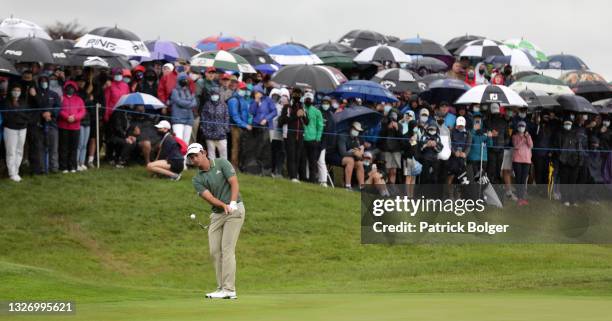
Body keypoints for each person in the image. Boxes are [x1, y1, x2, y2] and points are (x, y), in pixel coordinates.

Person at [189, 143, 245, 300]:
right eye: (191, 157)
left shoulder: (222, 163)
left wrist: (232, 203)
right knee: (215, 251)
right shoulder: (197, 179)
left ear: (204, 153)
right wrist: (223, 205)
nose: (194, 159)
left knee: (227, 249)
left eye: (195, 155)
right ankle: (221, 288)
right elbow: (209, 198)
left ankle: (229, 289)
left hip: (235, 210)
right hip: (218, 213)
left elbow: (234, 182)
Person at [1, 83, 29, 182]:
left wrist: (16, 112)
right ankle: (11, 173)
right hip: (10, 129)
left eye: (18, 90)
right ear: (11, 91)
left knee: (19, 150)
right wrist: (18, 113)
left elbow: (26, 115)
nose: (16, 92)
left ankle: (16, 171)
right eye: (15, 90)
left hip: (22, 129)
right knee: (11, 151)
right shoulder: (5, 102)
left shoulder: (23, 102)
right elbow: (7, 116)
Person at [278, 89, 307, 182]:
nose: (297, 95)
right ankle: (293, 176)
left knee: (298, 155)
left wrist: (303, 115)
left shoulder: (302, 107)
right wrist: (296, 115)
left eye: (299, 94)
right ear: (292, 94)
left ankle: (295, 175)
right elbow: (282, 121)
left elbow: (307, 122)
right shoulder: (287, 107)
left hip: (300, 135)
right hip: (289, 134)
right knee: (291, 155)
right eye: (295, 93)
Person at [58, 81, 86, 173]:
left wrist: (75, 118)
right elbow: (60, 109)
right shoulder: (61, 99)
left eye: (72, 87)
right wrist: (67, 117)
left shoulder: (79, 99)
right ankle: (63, 167)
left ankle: (72, 166)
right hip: (64, 126)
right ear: (65, 89)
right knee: (64, 147)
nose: (70, 89)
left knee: (73, 148)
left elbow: (82, 111)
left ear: (75, 89)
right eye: (68, 87)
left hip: (75, 127)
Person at [555, 118, 583, 206]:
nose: (568, 125)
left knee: (573, 182)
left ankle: (572, 200)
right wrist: (562, 158)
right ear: (563, 124)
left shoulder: (576, 135)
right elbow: (558, 148)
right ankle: (565, 199)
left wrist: (579, 160)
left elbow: (579, 148)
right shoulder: (559, 134)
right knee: (564, 181)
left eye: (569, 123)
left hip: (574, 162)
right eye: (566, 123)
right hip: (564, 162)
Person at [200, 87, 230, 159]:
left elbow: (227, 118)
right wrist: (205, 130)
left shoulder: (224, 105)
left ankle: (223, 169)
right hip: (209, 134)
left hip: (221, 134)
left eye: (216, 94)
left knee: (223, 154)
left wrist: (225, 129)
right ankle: (213, 169)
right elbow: (203, 119)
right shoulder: (206, 105)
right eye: (213, 94)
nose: (214, 96)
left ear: (219, 95)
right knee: (211, 154)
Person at [335, 121, 366, 190]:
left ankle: (362, 187)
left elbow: (358, 156)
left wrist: (360, 152)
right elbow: (342, 153)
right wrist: (354, 153)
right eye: (355, 129)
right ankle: (348, 186)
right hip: (336, 156)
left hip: (348, 156)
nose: (357, 132)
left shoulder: (356, 139)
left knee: (360, 164)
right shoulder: (342, 136)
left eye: (358, 130)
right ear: (351, 128)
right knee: (350, 160)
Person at [227, 82, 250, 168]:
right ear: (237, 89)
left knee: (241, 146)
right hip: (235, 127)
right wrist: (245, 125)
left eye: (245, 89)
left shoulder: (243, 99)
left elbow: (246, 113)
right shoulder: (233, 100)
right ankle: (234, 166)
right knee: (235, 147)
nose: (244, 91)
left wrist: (247, 123)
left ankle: (239, 165)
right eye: (242, 89)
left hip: (243, 126)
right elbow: (234, 116)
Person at [170, 73, 197, 144]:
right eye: (183, 79)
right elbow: (178, 101)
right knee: (178, 141)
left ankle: (184, 156)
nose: (185, 81)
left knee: (186, 143)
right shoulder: (174, 91)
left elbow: (195, 102)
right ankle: (177, 155)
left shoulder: (189, 91)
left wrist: (188, 103)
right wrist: (190, 104)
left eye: (186, 79)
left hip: (189, 119)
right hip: (178, 119)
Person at [302, 92, 324, 183]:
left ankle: (312, 179)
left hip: (313, 139)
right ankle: (302, 177)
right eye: (306, 99)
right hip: (302, 138)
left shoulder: (317, 111)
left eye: (309, 99)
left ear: (312, 100)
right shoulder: (301, 109)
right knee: (302, 160)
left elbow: (320, 126)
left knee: (313, 161)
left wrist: (318, 138)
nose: (308, 100)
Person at [511, 121, 533, 205]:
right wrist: (522, 139)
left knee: (523, 180)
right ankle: (519, 197)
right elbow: (516, 146)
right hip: (517, 160)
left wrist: (527, 137)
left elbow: (531, 145)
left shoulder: (528, 136)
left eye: (523, 126)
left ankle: (522, 197)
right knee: (518, 179)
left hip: (527, 160)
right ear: (517, 127)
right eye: (520, 126)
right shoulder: (514, 136)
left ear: (525, 127)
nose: (521, 127)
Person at [379, 108, 402, 184]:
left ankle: (392, 189)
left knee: (394, 171)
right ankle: (384, 189)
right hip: (386, 150)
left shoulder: (400, 125)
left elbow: (401, 138)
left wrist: (397, 129)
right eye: (392, 115)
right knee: (386, 170)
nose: (393, 117)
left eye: (395, 115)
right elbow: (381, 136)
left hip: (396, 151)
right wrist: (387, 128)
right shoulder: (384, 123)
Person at [318, 96, 336, 187]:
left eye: (327, 103)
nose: (325, 105)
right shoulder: (318, 112)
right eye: (324, 103)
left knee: (321, 161)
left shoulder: (331, 116)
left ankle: (324, 181)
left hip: (324, 142)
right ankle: (310, 177)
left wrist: (330, 145)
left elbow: (331, 132)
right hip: (315, 139)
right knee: (311, 159)